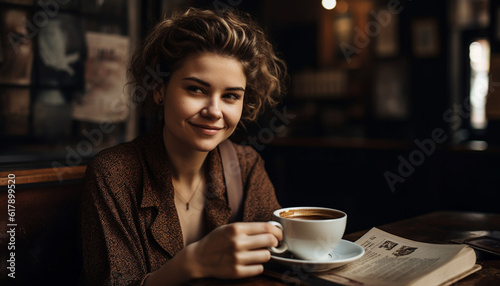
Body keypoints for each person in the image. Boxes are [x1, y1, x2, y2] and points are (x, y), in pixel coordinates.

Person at [79, 7, 287, 286]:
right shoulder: (113, 174)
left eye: (230, 96)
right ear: (159, 88)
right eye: (196, 89)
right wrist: (193, 261)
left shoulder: (245, 165)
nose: (214, 111)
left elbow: (278, 260)